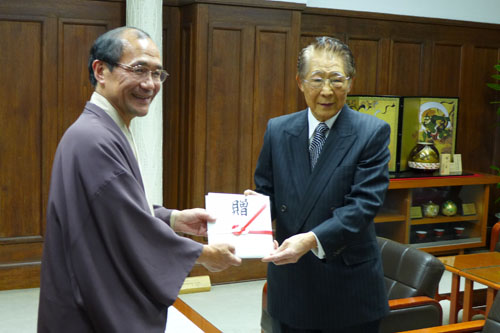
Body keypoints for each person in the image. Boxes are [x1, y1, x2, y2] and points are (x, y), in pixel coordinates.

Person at [37, 26, 241, 332]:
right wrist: (202, 254)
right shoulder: (94, 139)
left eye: (157, 73)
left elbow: (114, 211)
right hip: (88, 308)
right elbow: (130, 228)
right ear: (100, 70)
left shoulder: (100, 128)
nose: (150, 84)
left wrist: (174, 219)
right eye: (139, 70)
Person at [246, 37, 391, 332]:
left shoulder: (371, 132)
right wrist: (252, 212)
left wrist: (311, 240)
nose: (326, 91)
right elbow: (267, 191)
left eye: (336, 79)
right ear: (300, 82)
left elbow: (363, 207)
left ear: (350, 82)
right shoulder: (278, 129)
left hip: (347, 284)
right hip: (290, 279)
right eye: (317, 79)